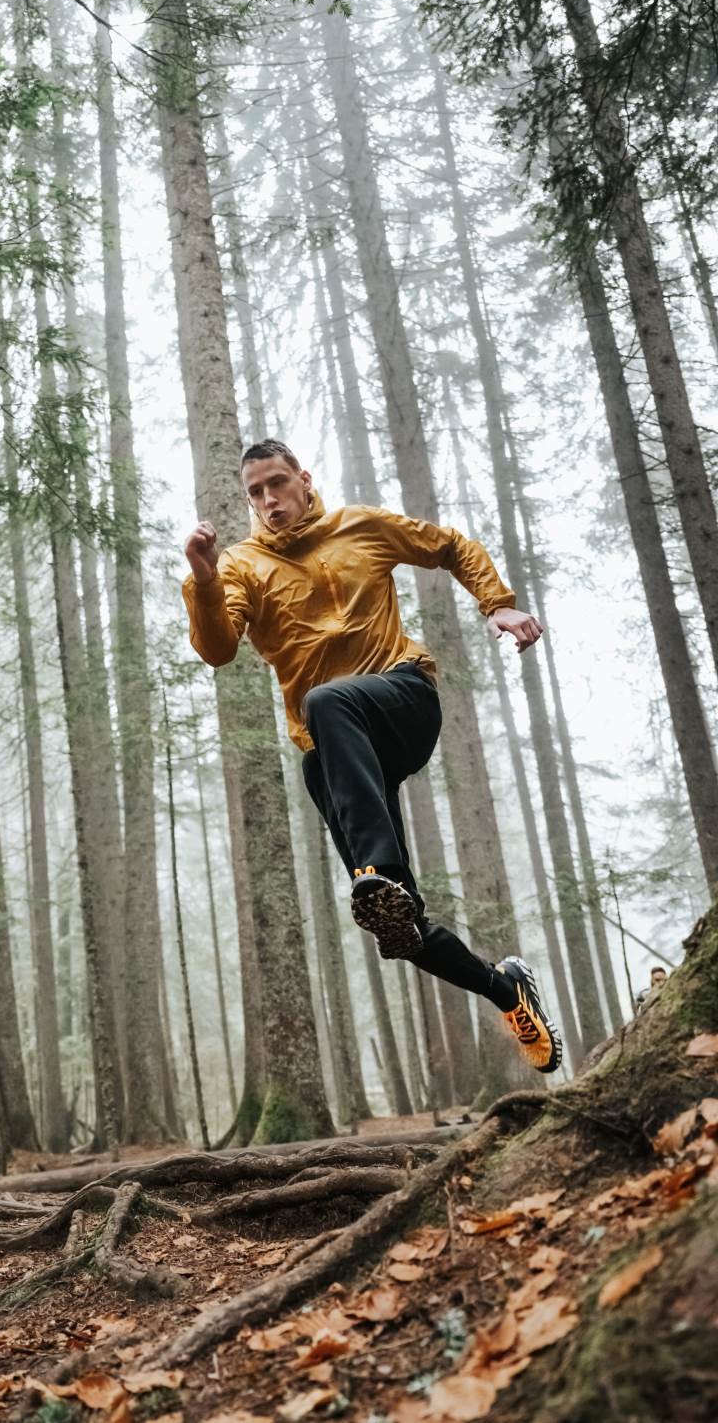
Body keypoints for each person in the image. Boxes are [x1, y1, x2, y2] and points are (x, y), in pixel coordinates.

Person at [182, 439, 562, 1074]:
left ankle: (376, 870)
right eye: (256, 491)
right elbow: (218, 649)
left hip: (403, 698)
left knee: (327, 704)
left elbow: (449, 546)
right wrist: (203, 577)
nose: (269, 500)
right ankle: (506, 989)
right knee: (399, 926)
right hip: (341, 747)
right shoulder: (243, 566)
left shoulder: (360, 526)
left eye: (278, 483)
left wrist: (497, 603)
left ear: (304, 480)